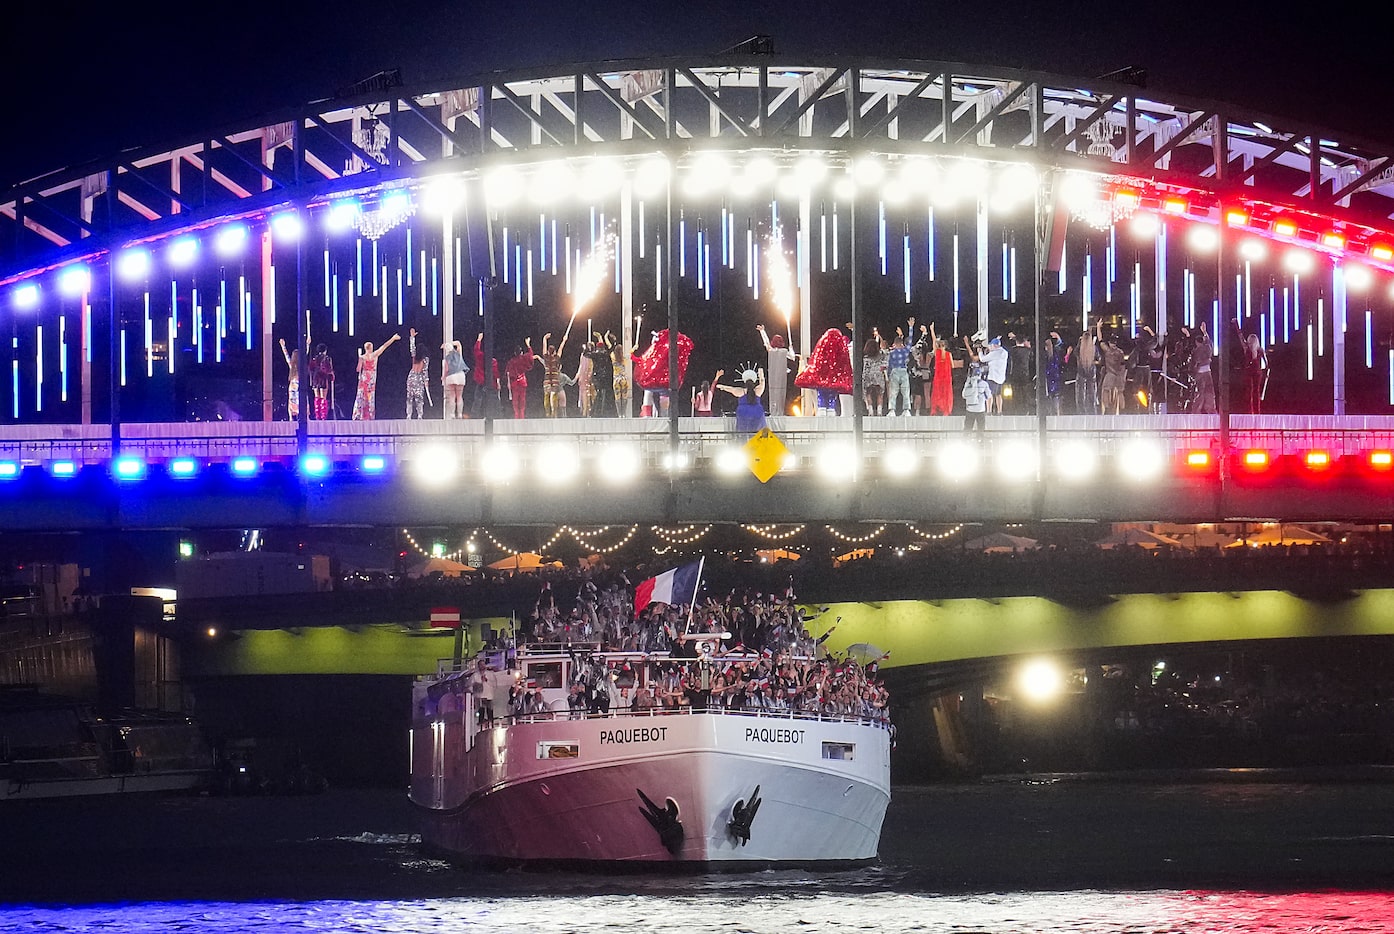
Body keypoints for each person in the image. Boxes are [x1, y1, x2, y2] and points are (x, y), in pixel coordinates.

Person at [794, 326, 853, 416]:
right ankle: (831, 407)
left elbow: (815, 363)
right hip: (834, 378)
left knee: (821, 392)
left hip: (822, 378)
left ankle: (822, 407)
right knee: (832, 393)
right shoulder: (840, 352)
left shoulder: (822, 350)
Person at [351, 333, 400, 420]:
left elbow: (358, 369)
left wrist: (359, 360)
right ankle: (369, 416)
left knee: (361, 396)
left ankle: (359, 415)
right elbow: (384, 346)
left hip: (364, 379)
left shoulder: (362, 357)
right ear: (371, 348)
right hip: (371, 379)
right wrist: (393, 338)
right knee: (370, 397)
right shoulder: (375, 355)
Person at [757, 324, 797, 417]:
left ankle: (775, 411)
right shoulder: (783, 351)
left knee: (774, 394)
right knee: (780, 394)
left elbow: (766, 343)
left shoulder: (773, 351)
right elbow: (793, 357)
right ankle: (778, 412)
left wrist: (762, 331)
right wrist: (791, 349)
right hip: (781, 377)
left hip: (774, 377)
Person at [715, 366, 767, 434]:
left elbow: (731, 389)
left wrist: (722, 386)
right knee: (759, 433)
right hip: (757, 412)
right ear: (754, 381)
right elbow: (762, 381)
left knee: (744, 433)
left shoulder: (740, 391)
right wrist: (761, 373)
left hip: (743, 413)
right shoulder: (758, 390)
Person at [885, 320, 916, 416]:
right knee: (906, 391)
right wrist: (911, 327)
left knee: (893, 392)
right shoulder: (905, 351)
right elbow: (910, 341)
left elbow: (889, 365)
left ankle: (892, 410)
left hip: (895, 371)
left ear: (895, 343)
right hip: (903, 370)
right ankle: (906, 410)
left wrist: (889, 375)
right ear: (901, 343)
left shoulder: (892, 353)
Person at [927, 323, 959, 416]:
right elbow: (952, 366)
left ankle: (935, 410)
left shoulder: (937, 353)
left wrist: (932, 330)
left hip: (938, 377)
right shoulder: (949, 354)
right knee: (946, 394)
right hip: (947, 378)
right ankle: (946, 411)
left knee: (937, 394)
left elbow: (933, 340)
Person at [1098, 325, 1128, 416]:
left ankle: (1106, 408)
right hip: (1119, 375)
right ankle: (1122, 409)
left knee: (1105, 390)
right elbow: (1123, 365)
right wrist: (1123, 377)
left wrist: (1098, 327)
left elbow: (1100, 340)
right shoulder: (1120, 352)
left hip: (1110, 374)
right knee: (1120, 392)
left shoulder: (1107, 351)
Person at [1189, 322, 1217, 414]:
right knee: (1208, 396)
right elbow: (1209, 344)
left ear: (1197, 342)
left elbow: (1192, 365)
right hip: (1206, 373)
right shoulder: (1206, 348)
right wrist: (1205, 332)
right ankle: (1211, 412)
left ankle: (1196, 415)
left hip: (1201, 374)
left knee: (1200, 396)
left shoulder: (1197, 351)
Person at [505, 338, 536, 419]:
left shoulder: (511, 361)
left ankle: (516, 416)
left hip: (514, 384)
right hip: (522, 382)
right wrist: (528, 345)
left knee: (515, 401)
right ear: (521, 352)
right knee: (522, 401)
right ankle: (522, 416)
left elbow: (508, 373)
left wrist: (508, 383)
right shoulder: (523, 358)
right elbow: (530, 355)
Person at [471, 333, 501, 419]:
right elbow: (496, 373)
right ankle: (496, 415)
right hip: (490, 382)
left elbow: (476, 349)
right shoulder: (493, 361)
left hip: (481, 380)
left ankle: (475, 416)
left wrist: (479, 340)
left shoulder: (480, 357)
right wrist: (498, 383)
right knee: (493, 399)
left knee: (478, 399)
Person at [540, 331, 568, 418]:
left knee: (547, 397)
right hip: (555, 381)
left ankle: (548, 413)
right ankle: (554, 413)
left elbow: (544, 348)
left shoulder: (546, 358)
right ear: (554, 352)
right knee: (554, 398)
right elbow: (561, 348)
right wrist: (564, 340)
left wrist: (544, 339)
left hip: (547, 380)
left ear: (548, 351)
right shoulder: (557, 358)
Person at [1069, 326, 1097, 415]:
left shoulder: (1079, 350)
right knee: (1091, 398)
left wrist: (1079, 342)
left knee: (1081, 398)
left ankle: (1081, 416)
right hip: (1091, 377)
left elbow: (1074, 353)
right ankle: (1092, 416)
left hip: (1081, 376)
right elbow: (1099, 358)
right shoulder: (1093, 348)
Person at [440, 337, 469, 419]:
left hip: (451, 377)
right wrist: (449, 343)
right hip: (460, 375)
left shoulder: (446, 358)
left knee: (452, 396)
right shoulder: (459, 354)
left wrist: (443, 377)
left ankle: (452, 414)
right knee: (459, 396)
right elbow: (458, 343)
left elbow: (446, 369)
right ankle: (459, 414)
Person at [405, 329, 430, 419]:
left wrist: (412, 337)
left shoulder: (415, 355)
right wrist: (426, 381)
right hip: (419, 377)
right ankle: (419, 414)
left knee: (410, 396)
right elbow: (425, 371)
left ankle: (409, 414)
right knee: (419, 397)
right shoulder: (425, 359)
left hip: (411, 376)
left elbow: (412, 347)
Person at [278, 336, 304, 420]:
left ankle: (290, 418)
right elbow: (305, 355)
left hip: (293, 388)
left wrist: (283, 346)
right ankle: (303, 417)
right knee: (301, 401)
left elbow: (286, 356)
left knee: (292, 402)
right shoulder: (299, 368)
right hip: (297, 388)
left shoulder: (293, 367)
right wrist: (307, 345)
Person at [962, 357, 990, 435]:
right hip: (980, 409)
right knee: (981, 429)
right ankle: (981, 443)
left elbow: (964, 395)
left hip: (970, 409)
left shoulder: (968, 383)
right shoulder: (984, 384)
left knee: (967, 429)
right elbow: (988, 396)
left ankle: (966, 442)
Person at [862, 334, 888, 416]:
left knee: (868, 393)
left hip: (868, 376)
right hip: (878, 375)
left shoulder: (865, 358)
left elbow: (865, 369)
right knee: (880, 394)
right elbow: (885, 348)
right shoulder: (881, 355)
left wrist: (863, 379)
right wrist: (879, 336)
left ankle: (870, 412)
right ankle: (879, 412)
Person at [308, 342, 334, 420]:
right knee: (323, 398)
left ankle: (317, 415)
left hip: (315, 378)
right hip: (323, 378)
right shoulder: (327, 358)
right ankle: (323, 416)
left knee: (317, 397)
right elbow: (329, 369)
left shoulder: (314, 359)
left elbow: (310, 368)